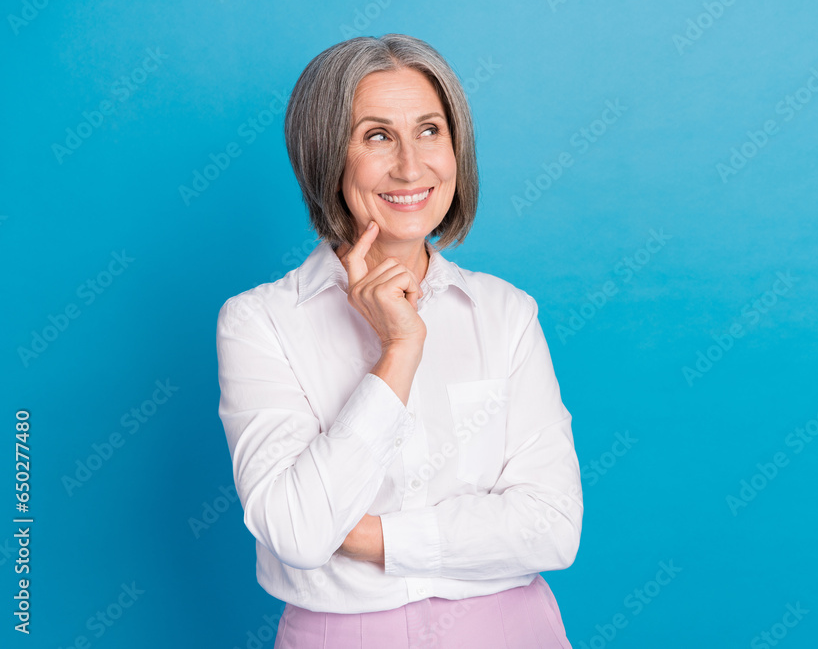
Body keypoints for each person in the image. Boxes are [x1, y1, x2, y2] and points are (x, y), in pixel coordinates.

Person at [216, 33, 583, 648]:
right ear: (326, 157)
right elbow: (300, 535)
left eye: (431, 131)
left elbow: (552, 527)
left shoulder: (506, 314)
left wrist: (367, 537)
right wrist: (401, 350)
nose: (412, 167)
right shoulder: (259, 321)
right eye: (376, 135)